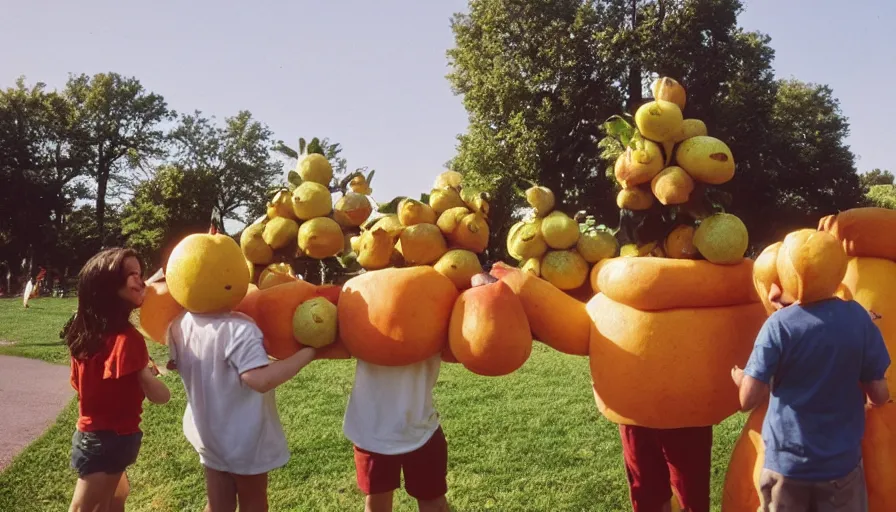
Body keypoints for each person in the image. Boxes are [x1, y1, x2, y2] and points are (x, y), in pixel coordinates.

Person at [732, 282, 891, 511]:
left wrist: (744, 380)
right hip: (840, 468)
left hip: (786, 468)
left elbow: (747, 400)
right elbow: (878, 394)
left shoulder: (778, 324)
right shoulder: (857, 318)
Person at [341, 269, 486, 512]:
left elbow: (478, 315)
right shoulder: (365, 299)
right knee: (376, 502)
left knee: (433, 502)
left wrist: (479, 280)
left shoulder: (439, 299)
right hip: (371, 430)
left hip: (420, 427)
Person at [166, 305, 318, 512]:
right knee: (253, 503)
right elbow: (260, 380)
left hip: (205, 431)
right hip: (244, 437)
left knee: (218, 504)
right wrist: (309, 353)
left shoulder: (181, 322)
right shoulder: (239, 328)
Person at [64, 248, 171, 512]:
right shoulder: (128, 339)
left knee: (117, 498)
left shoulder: (82, 333)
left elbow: (78, 385)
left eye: (140, 273)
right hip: (112, 440)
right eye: (130, 275)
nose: (140, 280)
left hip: (90, 434)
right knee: (87, 507)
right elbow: (160, 396)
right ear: (106, 284)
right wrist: (146, 373)